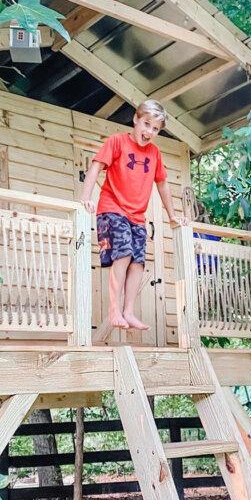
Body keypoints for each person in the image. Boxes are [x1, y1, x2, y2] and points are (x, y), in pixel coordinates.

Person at [78, 99, 187, 331]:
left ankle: (128, 311)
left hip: (137, 216)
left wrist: (172, 216)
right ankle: (114, 308)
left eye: (155, 129)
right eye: (146, 124)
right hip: (112, 208)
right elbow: (96, 166)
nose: (149, 131)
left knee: (138, 262)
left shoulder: (155, 154)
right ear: (136, 119)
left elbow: (163, 185)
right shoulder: (117, 142)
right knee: (125, 252)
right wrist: (85, 197)